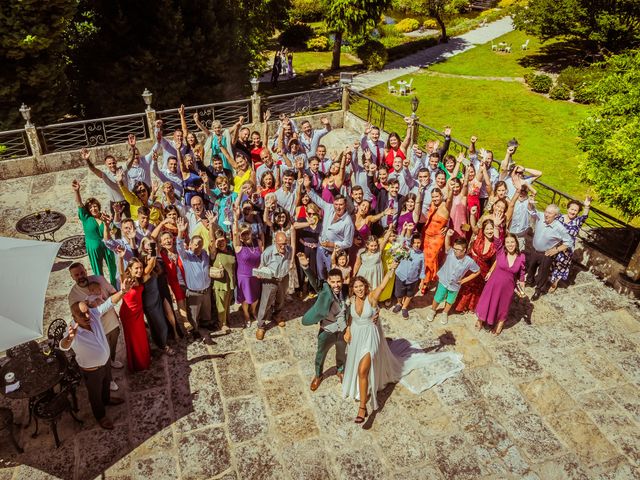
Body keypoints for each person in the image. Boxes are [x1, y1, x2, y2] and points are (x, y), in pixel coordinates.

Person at [342, 268, 464, 422]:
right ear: (352, 289)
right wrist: (348, 328)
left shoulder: (371, 298)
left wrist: (391, 269)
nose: (359, 289)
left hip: (369, 339)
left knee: (362, 370)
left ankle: (363, 408)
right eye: (356, 287)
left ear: (366, 287)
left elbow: (382, 285)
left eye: (361, 286)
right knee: (358, 365)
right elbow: (351, 316)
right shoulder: (352, 300)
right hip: (356, 337)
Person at [61, 279, 132, 430]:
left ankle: (107, 400)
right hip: (91, 371)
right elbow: (64, 346)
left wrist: (123, 291)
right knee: (95, 395)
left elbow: (109, 303)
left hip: (105, 362)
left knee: (106, 384)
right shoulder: (72, 331)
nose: (88, 317)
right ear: (74, 316)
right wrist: (69, 338)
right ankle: (101, 415)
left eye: (87, 312)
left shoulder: (92, 314)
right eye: (82, 315)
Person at [68, 263, 123, 392]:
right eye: (77, 275)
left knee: (113, 345)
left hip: (112, 322)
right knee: (104, 355)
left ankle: (113, 360)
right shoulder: (73, 295)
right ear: (72, 277)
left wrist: (104, 301)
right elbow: (76, 314)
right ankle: (109, 380)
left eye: (82, 273)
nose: (81, 276)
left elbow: (113, 293)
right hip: (98, 330)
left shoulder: (99, 279)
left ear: (85, 271)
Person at [298, 254, 349, 392]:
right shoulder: (324, 290)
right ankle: (318, 375)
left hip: (342, 330)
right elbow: (315, 281)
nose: (336, 285)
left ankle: (340, 370)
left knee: (341, 352)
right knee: (321, 354)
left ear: (342, 281)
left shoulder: (346, 290)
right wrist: (306, 266)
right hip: (327, 330)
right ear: (328, 281)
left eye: (338, 282)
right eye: (333, 282)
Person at [475, 233, 526, 335]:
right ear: (505, 244)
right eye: (507, 242)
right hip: (493, 284)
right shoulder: (501, 251)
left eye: (512, 242)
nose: (510, 244)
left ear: (516, 243)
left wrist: (522, 287)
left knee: (503, 306)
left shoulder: (521, 257)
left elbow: (522, 273)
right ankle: (481, 319)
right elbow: (497, 239)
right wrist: (496, 225)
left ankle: (500, 323)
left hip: (508, 288)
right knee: (487, 302)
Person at [425, 233, 480, 325]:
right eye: (454, 248)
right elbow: (447, 246)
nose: (455, 251)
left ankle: (445, 313)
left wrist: (464, 280)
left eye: (458, 249)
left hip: (455, 285)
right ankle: (433, 310)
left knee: (450, 300)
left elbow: (477, 271)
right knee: (438, 297)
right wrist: (448, 236)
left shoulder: (469, 261)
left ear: (464, 250)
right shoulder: (451, 253)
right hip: (444, 280)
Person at [71, 179, 118, 287]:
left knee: (112, 266)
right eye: (91, 207)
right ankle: (101, 287)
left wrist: (110, 223)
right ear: (88, 209)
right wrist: (77, 191)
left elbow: (115, 230)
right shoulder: (86, 217)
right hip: (93, 245)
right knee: (97, 268)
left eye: (95, 206)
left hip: (107, 244)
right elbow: (79, 204)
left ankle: (114, 286)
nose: (93, 208)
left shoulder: (104, 216)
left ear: (98, 206)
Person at [527, 204, 574, 301]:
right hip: (534, 250)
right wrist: (531, 203)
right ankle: (529, 281)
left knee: (542, 273)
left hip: (546, 254)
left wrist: (556, 250)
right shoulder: (540, 216)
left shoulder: (559, 228)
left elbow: (569, 242)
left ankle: (538, 290)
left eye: (549, 213)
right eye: (546, 211)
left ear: (556, 216)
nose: (546, 214)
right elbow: (532, 210)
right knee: (531, 267)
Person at [176, 217, 213, 337]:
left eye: (200, 244)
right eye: (195, 244)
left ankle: (206, 326)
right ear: (190, 245)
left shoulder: (205, 255)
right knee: (193, 315)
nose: (197, 246)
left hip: (206, 291)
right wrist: (180, 232)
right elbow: (179, 247)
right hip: (193, 293)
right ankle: (195, 332)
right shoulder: (186, 257)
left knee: (206, 312)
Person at [455, 218, 499, 313]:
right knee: (466, 285)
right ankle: (460, 306)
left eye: (491, 229)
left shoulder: (495, 244)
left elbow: (496, 260)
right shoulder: (479, 235)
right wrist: (471, 216)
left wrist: (490, 272)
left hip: (483, 271)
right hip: (470, 265)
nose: (489, 231)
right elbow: (471, 227)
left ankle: (470, 307)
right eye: (487, 229)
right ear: (483, 230)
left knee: (476, 290)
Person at [255, 231, 292, 341]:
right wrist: (260, 273)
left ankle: (277, 315)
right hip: (270, 279)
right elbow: (261, 266)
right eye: (280, 243)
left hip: (283, 278)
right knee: (265, 303)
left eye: (285, 243)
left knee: (281, 299)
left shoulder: (289, 250)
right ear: (275, 242)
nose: (283, 246)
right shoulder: (268, 252)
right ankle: (261, 325)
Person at [549, 197, 591, 293]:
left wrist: (587, 206)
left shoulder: (577, 221)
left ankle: (554, 283)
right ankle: (547, 278)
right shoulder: (559, 218)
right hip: (554, 245)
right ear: (568, 209)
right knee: (550, 262)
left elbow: (585, 216)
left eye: (575, 210)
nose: (573, 212)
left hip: (566, 249)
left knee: (560, 265)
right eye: (571, 209)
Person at [421, 184, 454, 292]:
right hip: (427, 235)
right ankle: (430, 278)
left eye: (437, 196)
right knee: (427, 259)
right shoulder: (432, 205)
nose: (435, 198)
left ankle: (424, 283)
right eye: (433, 197)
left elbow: (449, 199)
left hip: (438, 237)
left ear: (441, 196)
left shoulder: (445, 205)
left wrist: (451, 189)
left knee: (430, 259)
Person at [232, 212, 262, 327]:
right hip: (244, 277)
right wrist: (235, 220)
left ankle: (253, 311)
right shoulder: (239, 246)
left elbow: (262, 257)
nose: (246, 236)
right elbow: (234, 234)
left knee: (255, 297)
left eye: (247, 233)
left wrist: (261, 269)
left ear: (251, 232)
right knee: (245, 298)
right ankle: (246, 315)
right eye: (243, 234)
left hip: (256, 275)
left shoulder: (257, 242)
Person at [81, 148, 130, 218]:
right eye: (109, 164)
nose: (112, 165)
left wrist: (132, 148)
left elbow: (130, 160)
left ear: (116, 162)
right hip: (115, 203)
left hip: (127, 201)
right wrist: (87, 160)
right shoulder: (105, 175)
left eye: (113, 163)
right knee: (116, 225)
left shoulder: (122, 169)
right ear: (106, 165)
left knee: (132, 221)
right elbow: (93, 169)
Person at [392, 227, 425, 319]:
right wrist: (409, 230)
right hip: (400, 276)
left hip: (413, 279)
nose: (416, 244)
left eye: (418, 242)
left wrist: (422, 281)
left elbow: (422, 269)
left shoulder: (422, 255)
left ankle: (404, 307)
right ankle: (399, 303)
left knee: (409, 294)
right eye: (414, 242)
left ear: (421, 243)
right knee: (399, 293)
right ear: (411, 243)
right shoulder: (407, 249)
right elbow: (407, 239)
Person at [208, 225, 236, 334]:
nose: (221, 243)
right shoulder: (214, 253)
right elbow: (211, 242)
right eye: (218, 241)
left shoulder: (229, 249)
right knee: (221, 306)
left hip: (230, 282)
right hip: (220, 284)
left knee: (227, 304)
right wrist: (211, 224)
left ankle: (227, 320)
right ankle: (222, 324)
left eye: (222, 240)